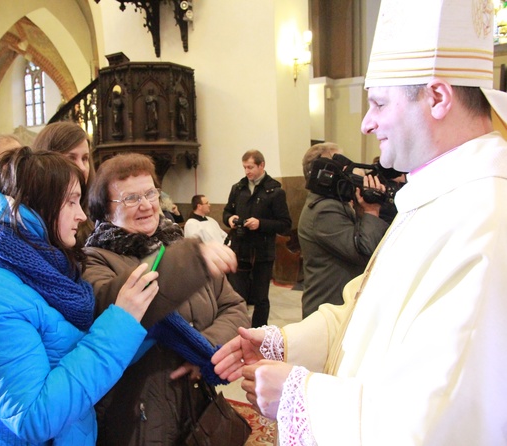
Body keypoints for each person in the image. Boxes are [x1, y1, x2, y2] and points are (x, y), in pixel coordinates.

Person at [211, 1, 507, 444]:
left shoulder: (485, 219)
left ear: (438, 97)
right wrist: (284, 344)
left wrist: (301, 394)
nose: (367, 123)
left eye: (379, 103)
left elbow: (438, 421)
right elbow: (361, 312)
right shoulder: (435, 196)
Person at [0, 147, 160, 444]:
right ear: (38, 206)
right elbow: (34, 417)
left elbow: (69, 352)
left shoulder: (41, 266)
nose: (82, 215)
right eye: (70, 202)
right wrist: (121, 321)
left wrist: (152, 323)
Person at [83, 153, 250, 445]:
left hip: (197, 403)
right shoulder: (95, 260)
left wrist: (205, 349)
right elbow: (111, 305)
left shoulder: (178, 243)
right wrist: (189, 261)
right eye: (131, 199)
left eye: (150, 193)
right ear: (106, 211)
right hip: (141, 415)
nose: (147, 205)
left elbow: (233, 306)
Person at [298, 143, 388, 318]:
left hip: (335, 306)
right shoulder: (324, 210)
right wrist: (371, 210)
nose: (349, 173)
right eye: (343, 167)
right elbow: (365, 251)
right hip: (328, 309)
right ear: (325, 173)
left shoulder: (332, 202)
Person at [223, 149, 292, 328]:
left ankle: (259, 332)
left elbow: (285, 224)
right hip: (240, 249)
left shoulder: (275, 191)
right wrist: (229, 219)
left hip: (262, 252)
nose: (247, 171)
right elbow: (227, 211)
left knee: (261, 297)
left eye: (250, 167)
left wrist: (260, 224)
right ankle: (237, 330)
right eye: (245, 167)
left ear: (262, 165)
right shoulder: (238, 188)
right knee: (237, 295)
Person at [32, 120, 95, 244]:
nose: (82, 167)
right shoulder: (35, 220)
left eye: (85, 158)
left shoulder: (96, 212)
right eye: (71, 158)